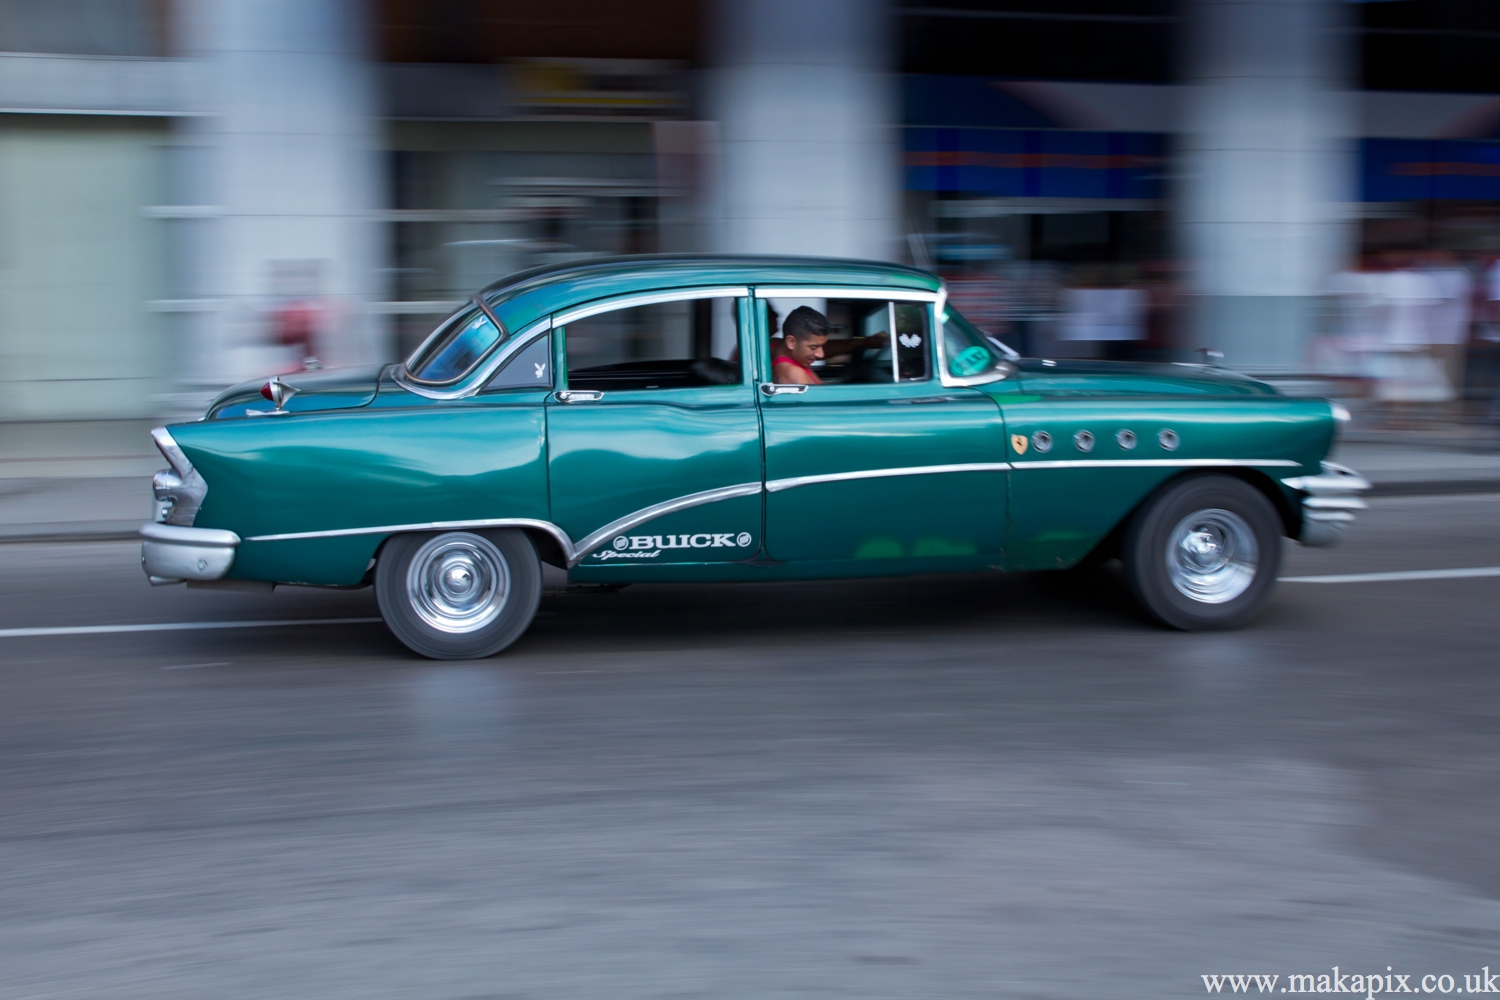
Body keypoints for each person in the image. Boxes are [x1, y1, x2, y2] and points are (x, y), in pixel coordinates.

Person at [769, 305, 887, 385]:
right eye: (813, 347)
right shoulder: (794, 375)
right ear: (791, 342)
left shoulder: (775, 345)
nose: (821, 354)